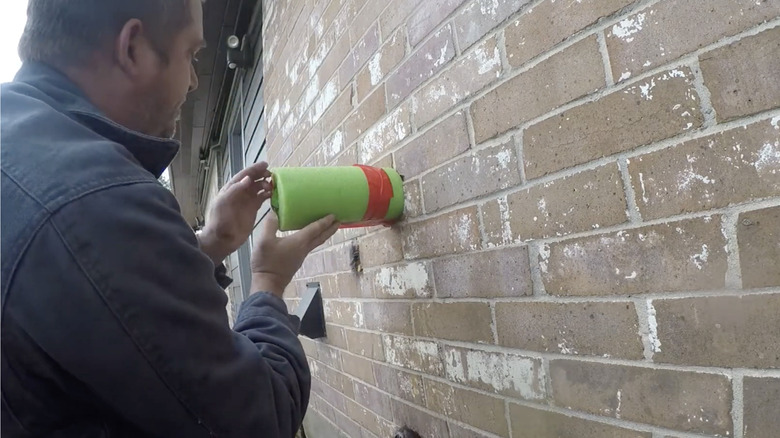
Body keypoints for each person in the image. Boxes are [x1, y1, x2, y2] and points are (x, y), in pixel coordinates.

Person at [0, 0, 339, 436]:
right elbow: (259, 419)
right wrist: (269, 282)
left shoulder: (23, 143)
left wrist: (212, 241)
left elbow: (88, 289)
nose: (196, 80)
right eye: (192, 55)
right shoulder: (98, 203)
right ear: (133, 48)